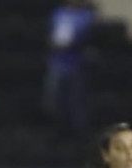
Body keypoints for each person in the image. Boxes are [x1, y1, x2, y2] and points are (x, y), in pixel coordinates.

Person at [41, 0, 96, 139]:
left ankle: (78, 135)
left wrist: (71, 42)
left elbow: (83, 35)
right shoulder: (59, 13)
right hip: (57, 63)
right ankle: (56, 131)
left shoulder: (86, 16)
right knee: (53, 100)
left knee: (75, 102)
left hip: (75, 64)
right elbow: (52, 32)